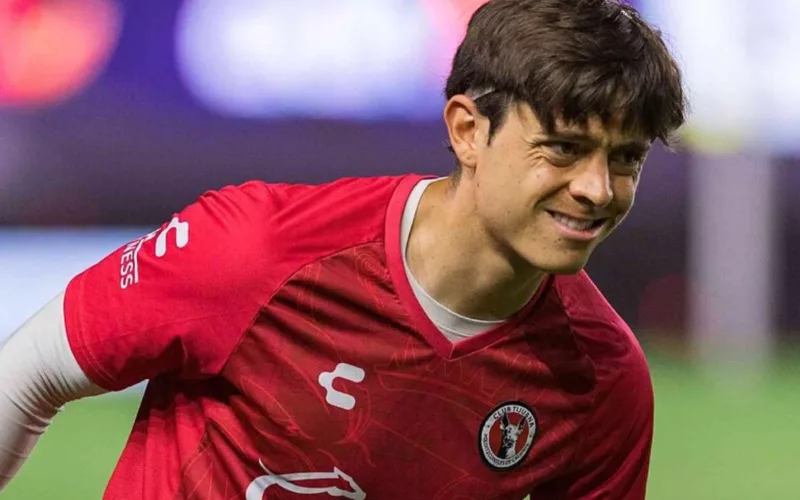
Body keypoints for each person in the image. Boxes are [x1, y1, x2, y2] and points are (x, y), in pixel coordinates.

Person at [0, 0, 686, 498]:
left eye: (624, 159)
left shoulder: (601, 379)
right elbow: (27, 376)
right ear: (468, 131)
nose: (597, 189)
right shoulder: (256, 251)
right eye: (562, 150)